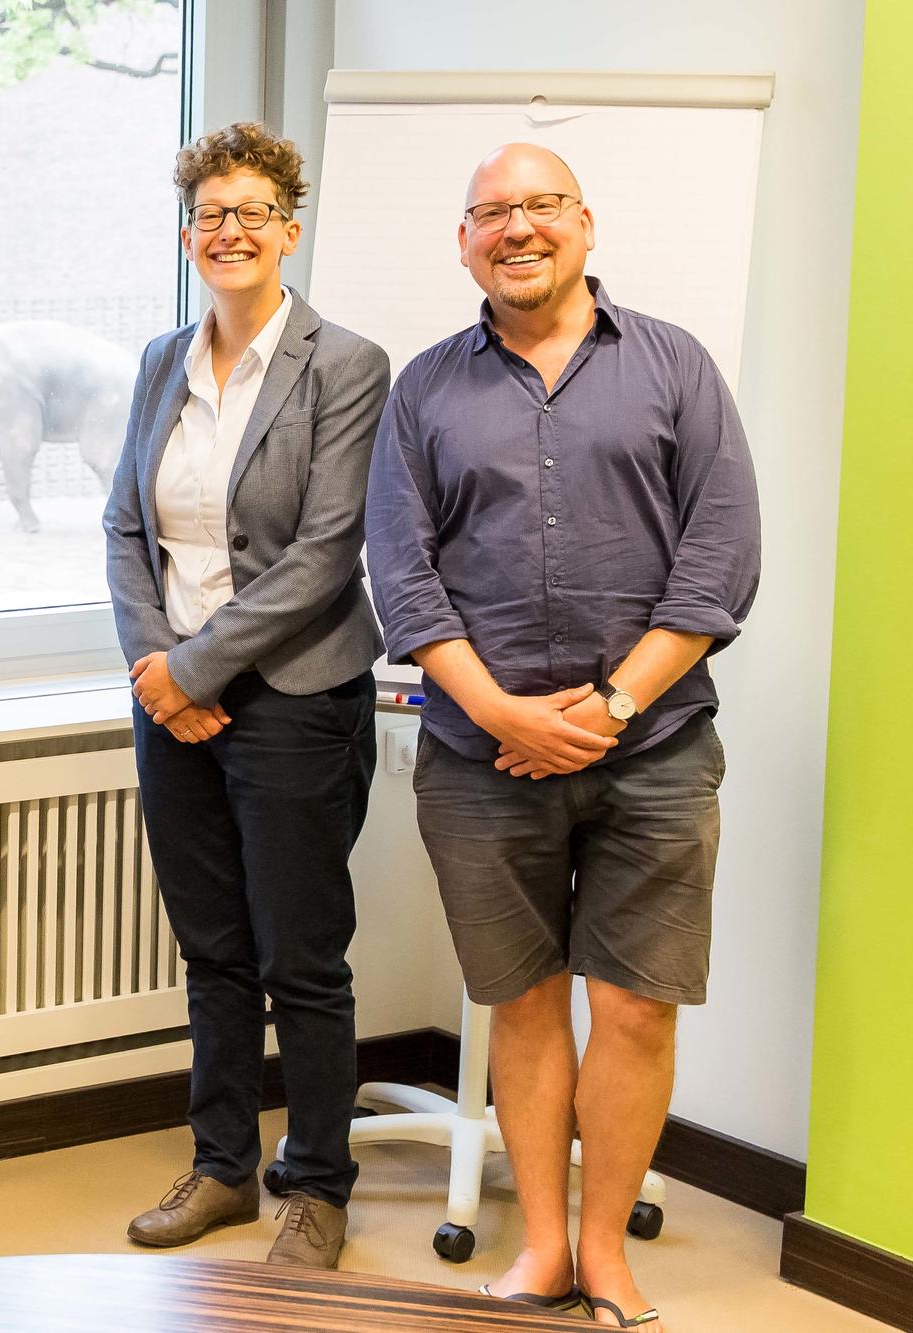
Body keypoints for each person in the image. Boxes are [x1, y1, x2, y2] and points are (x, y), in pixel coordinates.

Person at [365, 143, 760, 1330]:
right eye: (491, 212)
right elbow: (402, 569)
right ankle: (540, 1247)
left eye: (539, 206)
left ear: (583, 225)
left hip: (655, 751)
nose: (516, 228)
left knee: (635, 1005)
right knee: (524, 1003)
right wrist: (496, 714)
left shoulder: (674, 367)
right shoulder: (424, 389)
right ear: (462, 239)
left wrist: (607, 711)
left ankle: (604, 1250)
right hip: (478, 761)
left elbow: (718, 557)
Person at [104, 122, 388, 1270]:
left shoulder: (344, 365)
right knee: (211, 948)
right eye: (210, 215)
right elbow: (125, 527)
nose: (230, 232)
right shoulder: (157, 360)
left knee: (299, 958)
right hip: (168, 697)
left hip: (293, 700)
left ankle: (315, 1184)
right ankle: (222, 1166)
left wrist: (195, 669)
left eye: (252, 213)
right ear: (186, 237)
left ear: (289, 229)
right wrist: (155, 671)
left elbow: (324, 555)